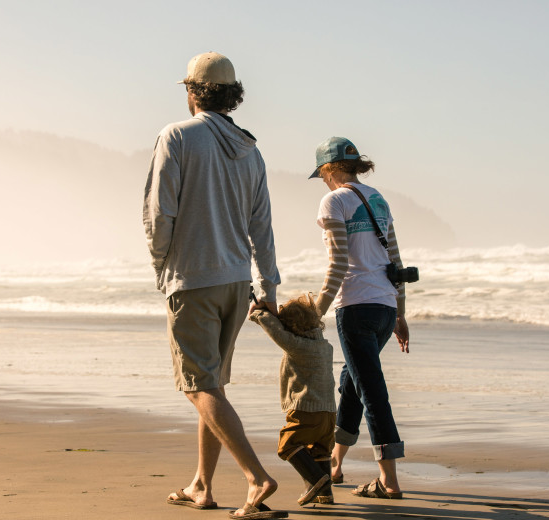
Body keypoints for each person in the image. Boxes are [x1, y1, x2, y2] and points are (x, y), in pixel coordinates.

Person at [143, 51, 286, 519]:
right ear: (232, 94)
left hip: (194, 279)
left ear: (192, 91)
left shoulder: (178, 136)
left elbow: (158, 212)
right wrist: (269, 285)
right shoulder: (251, 150)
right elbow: (261, 226)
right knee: (214, 385)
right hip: (237, 281)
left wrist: (162, 264)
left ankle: (256, 477)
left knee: (197, 384)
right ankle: (202, 485)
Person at [309, 136, 410, 500]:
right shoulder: (378, 198)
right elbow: (395, 260)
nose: (323, 180)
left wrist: (316, 310)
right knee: (352, 380)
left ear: (330, 169)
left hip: (354, 306)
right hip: (384, 307)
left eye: (322, 173)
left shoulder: (333, 200)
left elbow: (338, 263)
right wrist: (400, 313)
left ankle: (388, 481)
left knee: (371, 391)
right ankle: (335, 463)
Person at [249, 293, 336, 506]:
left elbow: (277, 333)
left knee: (287, 445)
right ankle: (325, 494)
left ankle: (317, 481)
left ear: (291, 327)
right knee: (321, 450)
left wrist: (259, 313)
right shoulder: (326, 347)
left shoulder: (297, 346)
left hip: (306, 409)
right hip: (330, 413)